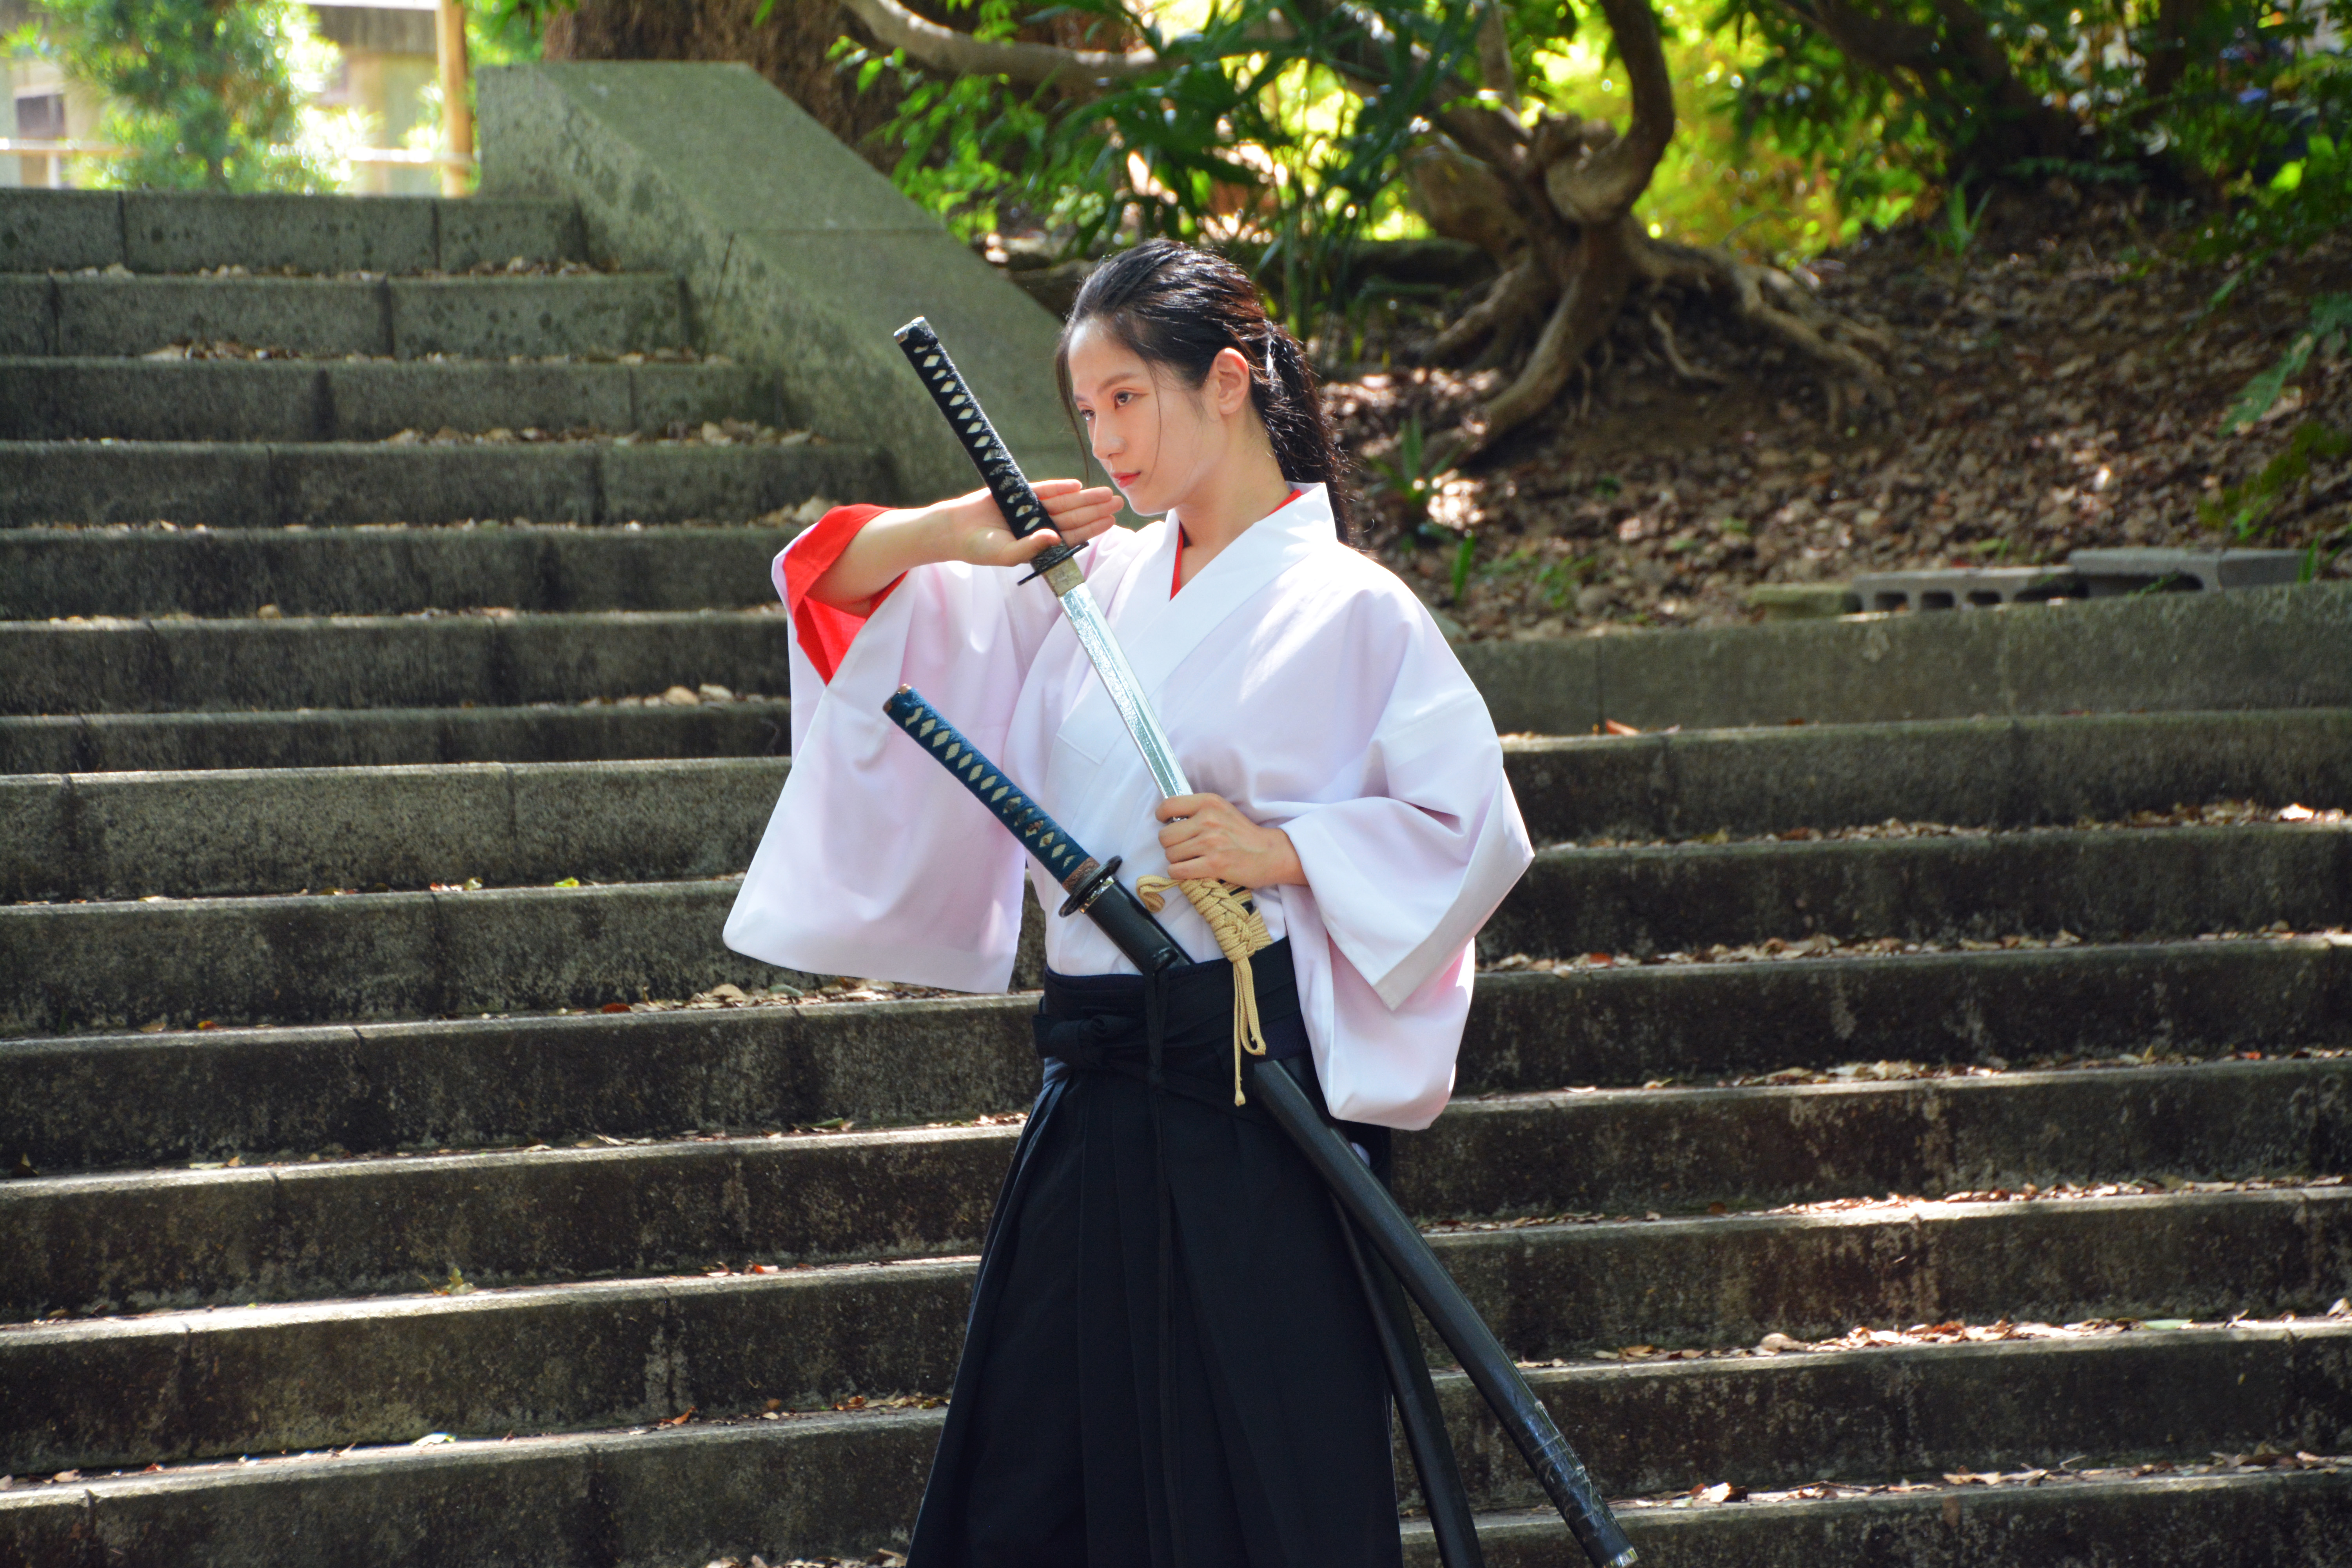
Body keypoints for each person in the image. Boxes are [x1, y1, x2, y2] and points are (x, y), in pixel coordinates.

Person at [724, 240, 1533, 1568]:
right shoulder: (1089, 586)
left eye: (1127, 400)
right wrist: (955, 534)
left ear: (1228, 383)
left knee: (1258, 1473)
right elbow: (839, 586)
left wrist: (1287, 851)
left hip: (1250, 1086)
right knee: (1034, 1473)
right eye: (1085, 409)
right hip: (1094, 1080)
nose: (1104, 441)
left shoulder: (1356, 609)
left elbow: (1473, 830)